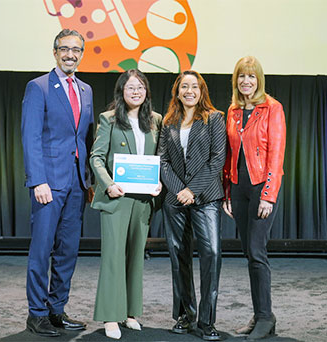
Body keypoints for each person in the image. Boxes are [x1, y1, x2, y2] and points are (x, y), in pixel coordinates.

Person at [21, 29, 94, 337]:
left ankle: (56, 310)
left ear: (81, 54)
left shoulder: (86, 89)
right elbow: (31, 137)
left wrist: (88, 179)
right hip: (48, 183)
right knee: (42, 250)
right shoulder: (38, 87)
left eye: (76, 50)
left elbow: (85, 137)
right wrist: (38, 180)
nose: (70, 54)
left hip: (77, 183)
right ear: (55, 52)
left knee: (68, 251)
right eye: (64, 49)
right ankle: (36, 313)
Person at [90, 69, 162, 340]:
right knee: (113, 257)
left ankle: (131, 313)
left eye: (140, 87)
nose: (136, 92)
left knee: (135, 258)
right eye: (130, 87)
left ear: (147, 92)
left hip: (143, 200)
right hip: (117, 198)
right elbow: (96, 157)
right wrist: (108, 184)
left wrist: (159, 183)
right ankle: (110, 316)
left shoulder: (156, 120)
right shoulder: (108, 119)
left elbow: (159, 159)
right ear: (121, 91)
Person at [158, 70, 226, 341]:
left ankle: (207, 321)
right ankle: (185, 316)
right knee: (179, 257)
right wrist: (179, 190)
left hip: (206, 198)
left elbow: (217, 160)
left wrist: (192, 190)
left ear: (201, 91)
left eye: (194, 87)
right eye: (184, 86)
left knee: (211, 254)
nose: (189, 91)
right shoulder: (168, 122)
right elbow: (162, 161)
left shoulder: (214, 119)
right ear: (177, 91)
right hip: (175, 200)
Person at [223, 56, 286, 340]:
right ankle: (262, 312)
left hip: (262, 188)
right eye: (241, 77)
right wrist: (227, 192)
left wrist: (268, 196)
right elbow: (230, 156)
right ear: (236, 80)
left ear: (259, 79)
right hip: (239, 190)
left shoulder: (272, 108)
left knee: (258, 253)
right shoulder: (234, 110)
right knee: (249, 253)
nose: (246, 81)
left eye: (251, 76)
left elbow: (276, 155)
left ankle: (265, 317)